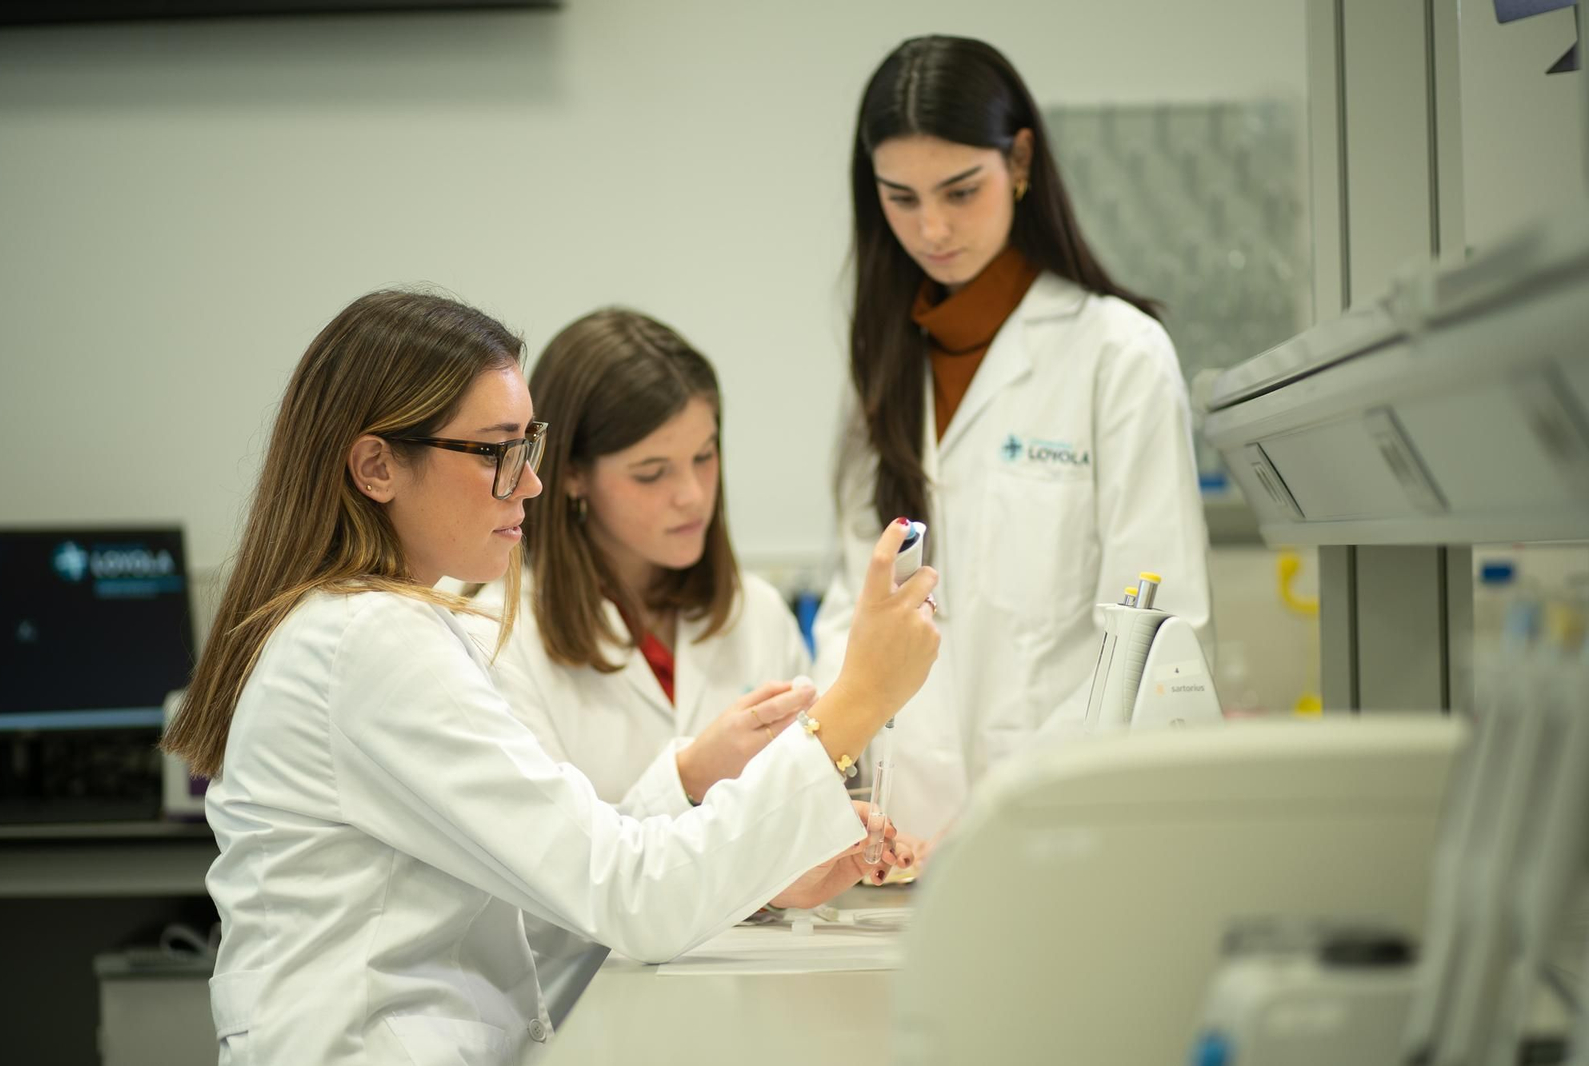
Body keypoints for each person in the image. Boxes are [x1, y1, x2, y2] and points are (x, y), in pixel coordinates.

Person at [160, 290, 939, 1065]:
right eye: (495, 452)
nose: (528, 482)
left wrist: (741, 851)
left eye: (526, 445)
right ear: (377, 466)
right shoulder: (369, 641)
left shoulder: (370, 628)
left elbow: (562, 886)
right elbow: (631, 897)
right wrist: (859, 698)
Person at [813, 36, 1213, 842]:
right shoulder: (882, 367)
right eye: (901, 197)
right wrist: (836, 790)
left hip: (1064, 834)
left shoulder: (1119, 355)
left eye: (961, 191)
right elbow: (853, 607)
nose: (931, 227)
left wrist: (1007, 818)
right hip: (896, 838)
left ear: (1020, 161)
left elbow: (1150, 640)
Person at [463, 307, 914, 1019]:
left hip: (754, 1000)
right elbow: (550, 892)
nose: (692, 495)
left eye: (705, 457)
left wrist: (807, 858)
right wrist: (687, 776)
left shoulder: (756, 613)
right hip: (588, 1012)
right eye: (652, 473)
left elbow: (761, 852)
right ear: (571, 476)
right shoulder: (496, 634)